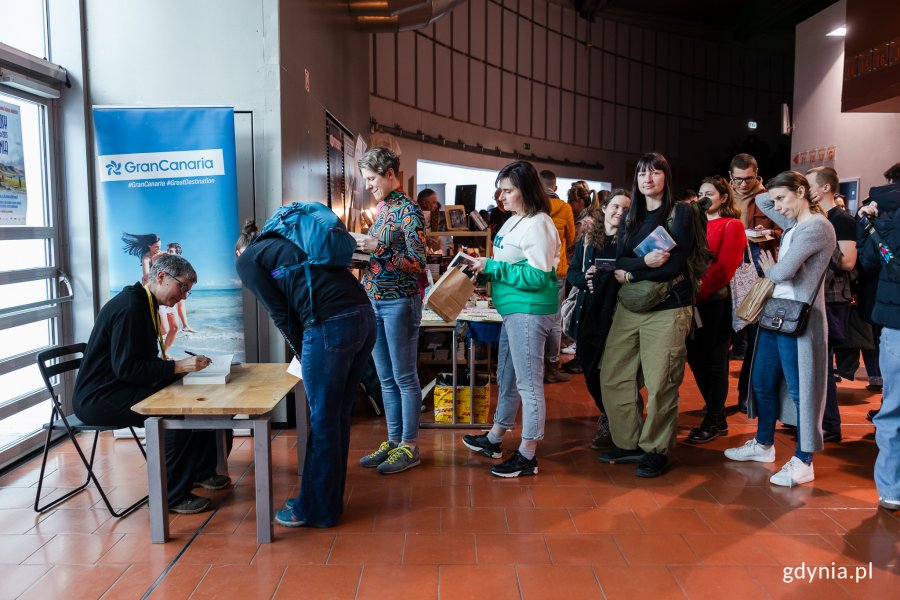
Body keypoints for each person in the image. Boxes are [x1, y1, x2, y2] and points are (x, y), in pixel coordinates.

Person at [235, 218, 376, 527]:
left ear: (240, 250)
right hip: (364, 317)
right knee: (336, 416)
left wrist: (303, 354)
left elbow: (282, 315)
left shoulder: (247, 260)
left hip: (331, 326)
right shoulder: (293, 243)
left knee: (323, 420)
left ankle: (314, 510)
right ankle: (323, 500)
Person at [72, 254, 225, 514]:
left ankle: (201, 472)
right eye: (183, 288)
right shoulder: (131, 307)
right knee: (174, 411)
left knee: (194, 397)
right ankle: (172, 497)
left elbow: (139, 363)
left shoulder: (144, 302)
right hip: (99, 397)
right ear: (162, 277)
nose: (184, 296)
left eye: (188, 290)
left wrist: (178, 370)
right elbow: (128, 368)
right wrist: (178, 367)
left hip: (119, 386)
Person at [724, 171, 835, 487]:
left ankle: (804, 460)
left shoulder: (816, 227)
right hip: (775, 315)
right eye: (775, 200)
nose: (776, 206)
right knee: (761, 381)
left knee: (803, 392)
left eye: (782, 199)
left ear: (801, 191)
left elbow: (783, 272)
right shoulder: (794, 226)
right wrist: (768, 191)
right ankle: (763, 444)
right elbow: (762, 199)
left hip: (800, 318)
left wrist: (771, 268)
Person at [598, 152, 695, 478]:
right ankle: (628, 443)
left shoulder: (680, 213)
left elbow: (674, 264)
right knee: (613, 375)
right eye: (642, 174)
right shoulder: (630, 216)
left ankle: (656, 449)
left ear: (666, 177)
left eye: (655, 173)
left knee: (661, 382)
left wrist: (633, 273)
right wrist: (641, 267)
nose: (647, 179)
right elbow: (619, 262)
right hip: (630, 306)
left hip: (668, 307)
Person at [461, 161, 560, 477]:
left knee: (529, 384)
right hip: (512, 311)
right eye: (500, 190)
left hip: (529, 312)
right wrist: (484, 268)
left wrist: (491, 268)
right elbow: (505, 262)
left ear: (525, 190)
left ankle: (528, 454)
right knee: (507, 376)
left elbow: (538, 276)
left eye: (507, 190)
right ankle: (495, 438)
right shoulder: (514, 220)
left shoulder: (539, 224)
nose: (500, 196)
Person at [356, 147, 427, 474]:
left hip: (399, 302)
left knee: (403, 376)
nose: (368, 185)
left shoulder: (409, 211)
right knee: (385, 377)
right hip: (376, 300)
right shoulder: (383, 209)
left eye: (371, 178)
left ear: (388, 174)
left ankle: (409, 446)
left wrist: (378, 249)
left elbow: (418, 263)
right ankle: (394, 439)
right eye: (365, 179)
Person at [684, 176, 747, 443]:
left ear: (724, 196)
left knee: (715, 361)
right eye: (700, 193)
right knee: (695, 357)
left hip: (715, 302)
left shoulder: (732, 225)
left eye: (709, 193)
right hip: (692, 300)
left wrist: (698, 291)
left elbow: (724, 268)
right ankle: (716, 414)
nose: (703, 198)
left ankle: (713, 418)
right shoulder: (694, 224)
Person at [566, 189, 631, 450]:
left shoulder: (631, 242)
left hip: (619, 316)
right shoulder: (588, 240)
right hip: (589, 315)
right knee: (591, 372)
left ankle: (618, 423)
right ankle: (606, 413)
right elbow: (573, 275)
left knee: (615, 374)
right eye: (616, 206)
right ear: (604, 208)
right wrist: (587, 278)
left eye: (626, 209)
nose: (620, 213)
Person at [857, 163, 900, 510]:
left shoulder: (884, 217)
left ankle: (891, 490)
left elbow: (869, 263)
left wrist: (866, 222)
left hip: (896, 324)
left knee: (892, 411)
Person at [808, 166, 857, 443]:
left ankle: (829, 424)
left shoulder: (841, 219)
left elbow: (848, 262)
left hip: (831, 298)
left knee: (823, 364)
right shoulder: (819, 217)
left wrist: (821, 240)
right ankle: (817, 421)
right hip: (815, 294)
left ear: (825, 188)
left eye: (810, 184)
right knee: (813, 363)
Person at [730, 153, 781, 413]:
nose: (742, 185)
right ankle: (716, 403)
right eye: (737, 179)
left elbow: (783, 230)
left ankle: (746, 395)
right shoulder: (724, 196)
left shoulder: (768, 198)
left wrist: (765, 233)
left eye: (748, 179)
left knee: (755, 338)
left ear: (756, 173)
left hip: (758, 268)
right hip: (728, 269)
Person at [539, 169, 575, 383]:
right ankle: (552, 366)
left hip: (533, 270)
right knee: (555, 320)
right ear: (556, 187)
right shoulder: (565, 208)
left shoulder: (533, 206)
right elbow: (570, 237)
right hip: (558, 270)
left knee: (537, 317)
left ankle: (537, 365)